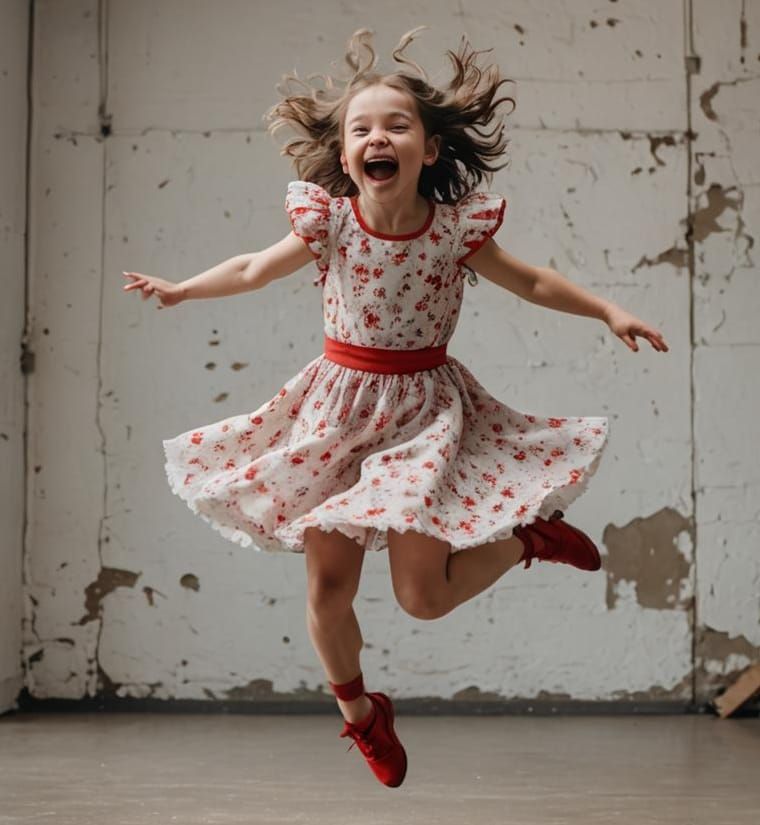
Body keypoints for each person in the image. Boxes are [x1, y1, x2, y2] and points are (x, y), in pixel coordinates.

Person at [122, 27, 669, 789]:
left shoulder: (454, 232)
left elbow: (535, 282)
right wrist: (182, 288)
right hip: (336, 413)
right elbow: (251, 265)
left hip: (422, 417)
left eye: (397, 125)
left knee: (423, 597)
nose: (378, 137)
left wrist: (608, 309)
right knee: (327, 589)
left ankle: (529, 541)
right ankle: (361, 714)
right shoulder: (329, 224)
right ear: (346, 157)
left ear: (429, 150)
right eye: (361, 129)